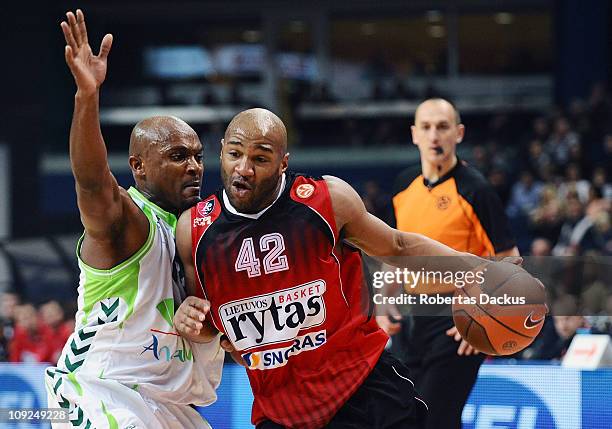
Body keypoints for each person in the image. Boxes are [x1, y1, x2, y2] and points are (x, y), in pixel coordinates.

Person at [172, 108, 522, 429]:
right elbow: (214, 331)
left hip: (364, 390)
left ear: (283, 162)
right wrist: (191, 319)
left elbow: (399, 246)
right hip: (283, 412)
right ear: (221, 152)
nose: (244, 168)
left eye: (260, 158)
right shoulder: (194, 231)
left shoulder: (326, 200)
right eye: (235, 154)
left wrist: (475, 270)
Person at [45, 9, 223, 429]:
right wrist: (86, 98)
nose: (195, 167)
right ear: (139, 167)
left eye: (198, 156)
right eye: (178, 157)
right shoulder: (129, 222)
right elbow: (91, 182)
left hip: (174, 405)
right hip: (107, 390)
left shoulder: (198, 230)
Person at [379, 98, 520, 429]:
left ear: (458, 133)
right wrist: (383, 303)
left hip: (457, 319)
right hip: (410, 320)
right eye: (426, 128)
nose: (434, 136)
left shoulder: (477, 190)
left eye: (442, 127)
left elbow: (511, 262)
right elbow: (394, 252)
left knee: (434, 419)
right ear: (414, 134)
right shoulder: (403, 185)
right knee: (405, 419)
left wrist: (482, 320)